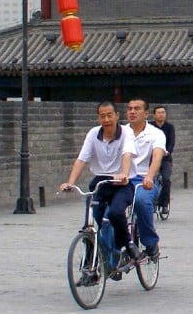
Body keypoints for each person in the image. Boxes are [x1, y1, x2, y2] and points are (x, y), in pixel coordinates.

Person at [59, 102, 141, 281]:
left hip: (122, 183)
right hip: (100, 182)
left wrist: (124, 175)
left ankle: (127, 244)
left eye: (109, 115)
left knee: (115, 213)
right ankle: (91, 270)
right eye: (102, 116)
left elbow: (127, 154)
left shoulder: (126, 132)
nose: (106, 119)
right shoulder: (93, 134)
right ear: (98, 118)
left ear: (117, 116)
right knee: (92, 226)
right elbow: (82, 159)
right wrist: (70, 183)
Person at [126, 98, 167, 259]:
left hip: (144, 179)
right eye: (129, 109)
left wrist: (150, 176)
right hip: (123, 179)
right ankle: (108, 254)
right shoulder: (121, 132)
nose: (132, 112)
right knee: (106, 210)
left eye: (137, 109)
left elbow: (157, 157)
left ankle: (150, 242)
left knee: (142, 201)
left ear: (146, 113)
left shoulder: (156, 134)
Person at [152, 105, 175, 215]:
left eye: (163, 112)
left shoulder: (169, 127)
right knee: (148, 178)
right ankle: (150, 202)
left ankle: (164, 204)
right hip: (152, 157)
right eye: (159, 112)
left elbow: (171, 142)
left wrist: (168, 151)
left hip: (165, 158)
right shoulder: (150, 127)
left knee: (166, 179)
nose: (161, 114)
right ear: (154, 115)